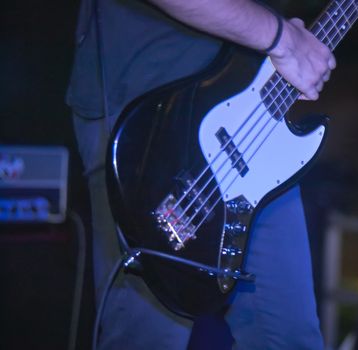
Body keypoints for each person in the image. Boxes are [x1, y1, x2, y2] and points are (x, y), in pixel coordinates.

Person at [67, 0, 336, 349]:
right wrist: (284, 39)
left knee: (288, 337)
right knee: (148, 337)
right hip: (151, 125)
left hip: (252, 123)